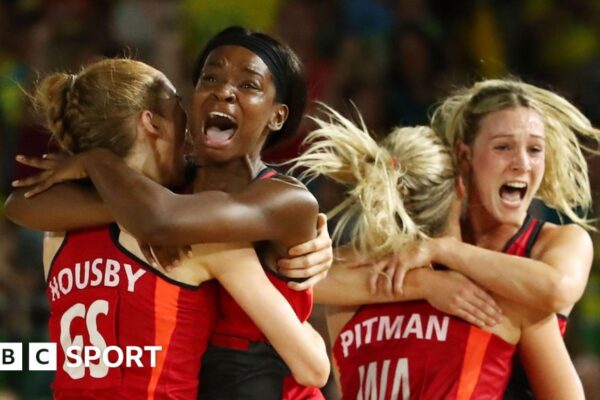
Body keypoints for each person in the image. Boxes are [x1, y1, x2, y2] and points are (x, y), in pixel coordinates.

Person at [8, 27, 332, 399]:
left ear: (278, 116)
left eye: (248, 85)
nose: (224, 90)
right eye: (209, 78)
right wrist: (127, 205)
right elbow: (20, 204)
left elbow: (160, 219)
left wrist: (97, 163)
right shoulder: (174, 209)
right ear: (154, 121)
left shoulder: (280, 199)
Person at [290, 104, 584, 399]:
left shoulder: (349, 297)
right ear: (460, 188)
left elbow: (299, 277)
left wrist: (426, 281)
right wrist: (429, 282)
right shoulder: (505, 296)